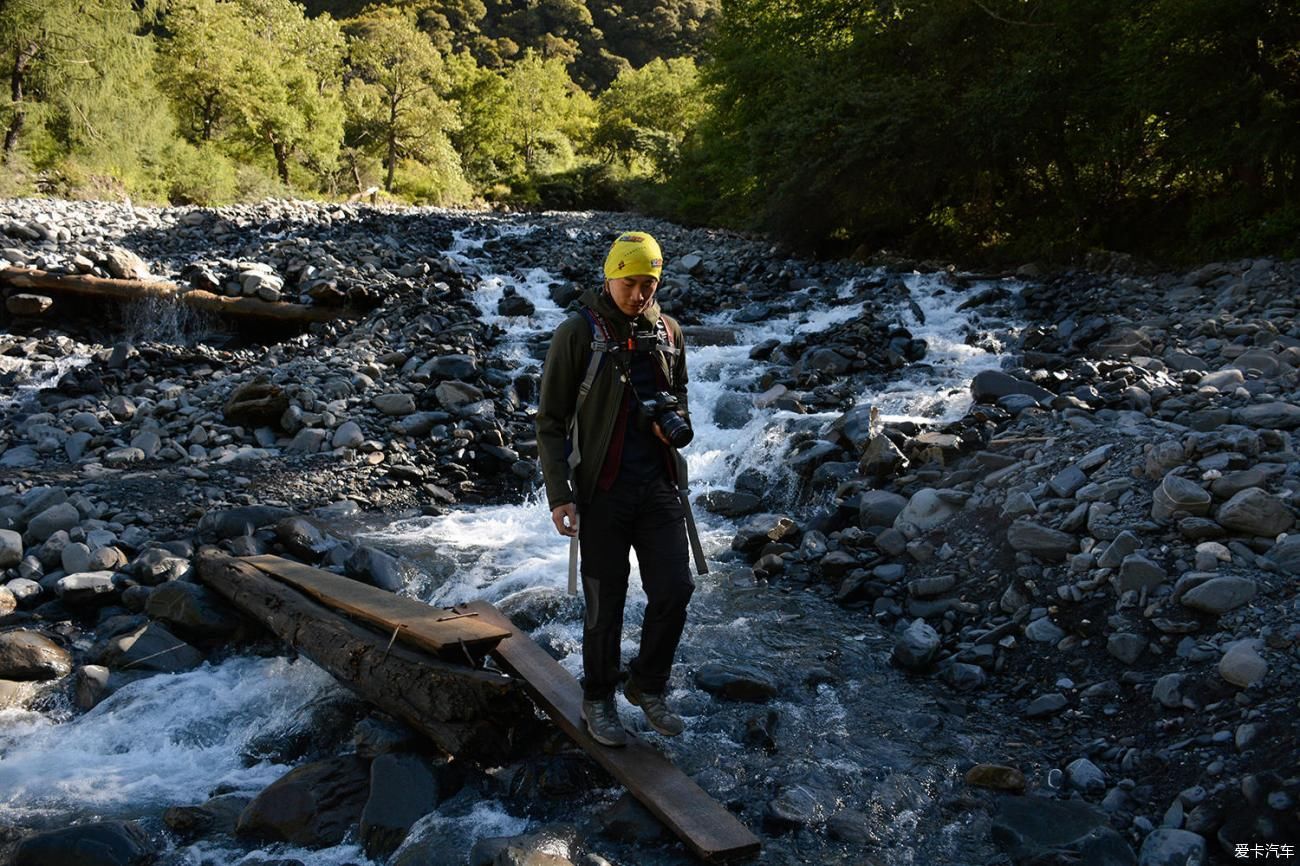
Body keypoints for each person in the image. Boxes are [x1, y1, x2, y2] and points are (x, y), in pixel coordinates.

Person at [536, 231, 699, 747]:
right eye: (631, 282)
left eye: (649, 283)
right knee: (605, 601)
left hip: (657, 486)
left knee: (676, 587)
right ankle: (599, 697)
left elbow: (682, 400)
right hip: (601, 489)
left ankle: (647, 686)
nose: (640, 294)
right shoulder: (577, 334)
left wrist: (669, 421)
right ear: (611, 275)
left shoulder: (670, 332)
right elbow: (550, 421)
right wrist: (559, 494)